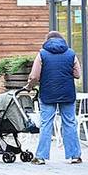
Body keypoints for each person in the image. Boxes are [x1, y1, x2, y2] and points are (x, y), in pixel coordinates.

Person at [24, 31, 82, 165]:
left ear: (47, 40)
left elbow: (34, 77)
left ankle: (41, 157)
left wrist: (28, 87)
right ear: (62, 40)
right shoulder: (71, 53)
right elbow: (78, 74)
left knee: (46, 124)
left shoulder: (42, 54)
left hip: (48, 93)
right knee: (69, 122)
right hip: (67, 93)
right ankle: (74, 156)